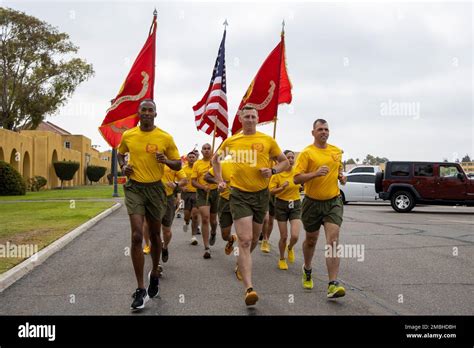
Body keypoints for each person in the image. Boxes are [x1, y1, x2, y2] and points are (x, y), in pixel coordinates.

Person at [213, 105, 289, 306]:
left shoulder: (267, 140)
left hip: (261, 195)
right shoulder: (232, 141)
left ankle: (241, 263)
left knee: (255, 238)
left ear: (257, 118)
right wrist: (220, 180)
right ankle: (249, 289)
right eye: (246, 116)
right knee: (245, 241)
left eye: (253, 116)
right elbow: (216, 160)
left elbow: (284, 162)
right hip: (238, 195)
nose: (250, 119)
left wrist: (273, 171)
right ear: (240, 118)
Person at [117, 99, 181, 311]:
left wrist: (165, 161)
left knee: (155, 236)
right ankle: (140, 289)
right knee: (136, 235)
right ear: (139, 113)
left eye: (150, 110)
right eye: (143, 110)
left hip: (155, 189)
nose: (146, 113)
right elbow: (120, 152)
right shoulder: (129, 135)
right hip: (135, 188)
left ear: (155, 113)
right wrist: (124, 165)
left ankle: (154, 272)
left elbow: (178, 163)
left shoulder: (165, 137)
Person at [293, 118, 347, 299]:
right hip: (311, 202)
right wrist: (315, 174)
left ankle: (333, 284)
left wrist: (341, 177)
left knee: (333, 239)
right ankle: (307, 268)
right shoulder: (306, 153)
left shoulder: (336, 151)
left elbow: (339, 169)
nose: (324, 132)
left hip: (333, 201)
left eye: (326, 129)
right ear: (313, 132)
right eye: (320, 129)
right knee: (311, 240)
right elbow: (296, 179)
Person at [269, 150, 302, 270]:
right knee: (284, 236)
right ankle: (282, 258)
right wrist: (282, 188)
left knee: (295, 236)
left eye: (293, 157)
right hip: (281, 205)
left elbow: (303, 182)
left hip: (296, 204)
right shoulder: (277, 173)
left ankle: (290, 247)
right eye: (288, 157)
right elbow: (271, 191)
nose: (291, 160)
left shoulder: (297, 172)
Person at [204, 160, 238, 257]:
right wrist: (219, 181)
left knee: (243, 237)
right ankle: (231, 239)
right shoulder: (224, 164)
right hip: (225, 201)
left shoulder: (250, 165)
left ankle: (239, 261)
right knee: (225, 236)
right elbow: (206, 176)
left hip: (242, 202)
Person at [192, 144, 219, 259]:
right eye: (204, 149)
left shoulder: (216, 162)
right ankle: (207, 247)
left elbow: (222, 177)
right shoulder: (197, 164)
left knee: (213, 220)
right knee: (205, 218)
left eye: (209, 148)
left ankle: (213, 232)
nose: (207, 150)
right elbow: (193, 182)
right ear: (201, 151)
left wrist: (215, 166)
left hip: (215, 192)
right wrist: (203, 187)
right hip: (202, 193)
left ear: (212, 150)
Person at [160, 165, 187, 263]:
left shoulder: (173, 163)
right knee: (153, 229)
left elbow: (184, 180)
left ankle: (165, 246)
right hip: (153, 198)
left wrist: (176, 184)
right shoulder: (150, 160)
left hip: (168, 198)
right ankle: (156, 264)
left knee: (166, 231)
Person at [181, 152, 200, 245]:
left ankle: (193, 236)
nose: (192, 158)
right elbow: (178, 180)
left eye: (193, 157)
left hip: (197, 193)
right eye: (190, 157)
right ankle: (186, 222)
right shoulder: (183, 168)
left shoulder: (198, 168)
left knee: (195, 215)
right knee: (186, 215)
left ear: (196, 158)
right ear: (187, 159)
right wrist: (181, 187)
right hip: (186, 194)